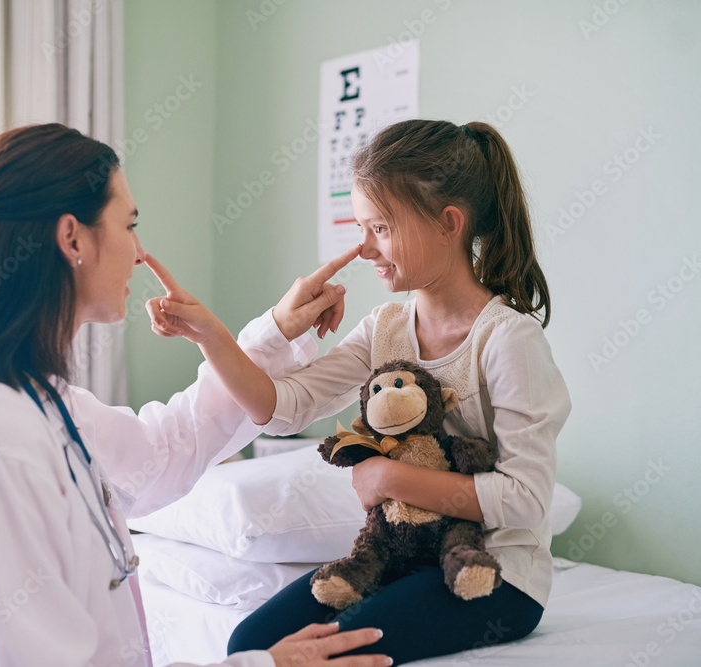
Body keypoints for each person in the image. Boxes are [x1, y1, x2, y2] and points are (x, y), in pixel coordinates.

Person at [0, 123, 392, 667]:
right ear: (72, 239)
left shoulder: (40, 402)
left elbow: (166, 449)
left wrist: (274, 330)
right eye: (129, 225)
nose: (139, 253)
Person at [145, 119, 572, 665]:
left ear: (448, 223)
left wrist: (390, 477)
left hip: (495, 577)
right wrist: (214, 334)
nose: (366, 249)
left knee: (339, 647)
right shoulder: (385, 327)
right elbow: (280, 410)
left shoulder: (508, 338)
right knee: (249, 647)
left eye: (381, 228)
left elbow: (528, 499)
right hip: (404, 554)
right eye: (362, 228)